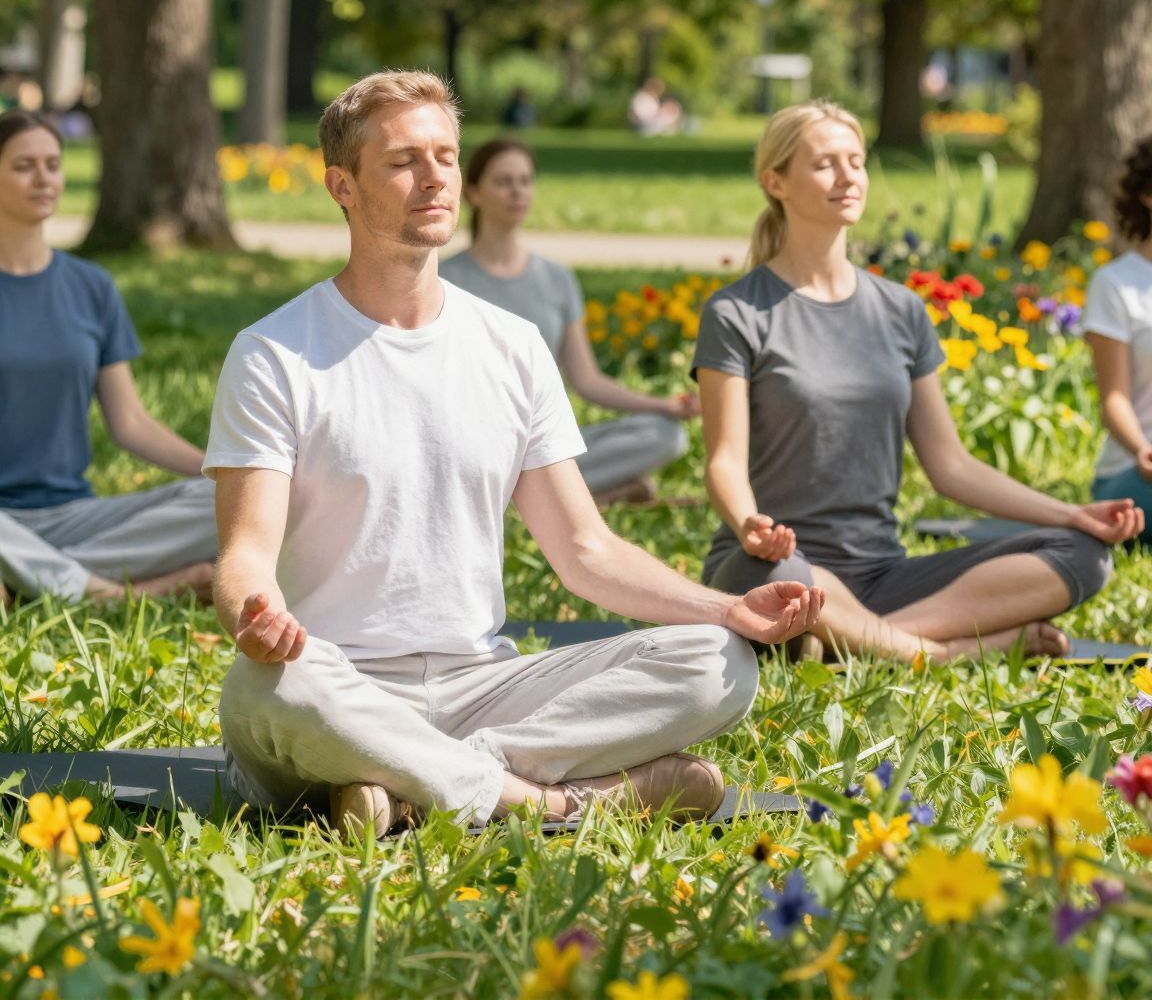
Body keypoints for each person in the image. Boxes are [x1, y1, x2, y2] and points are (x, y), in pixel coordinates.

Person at [206, 70, 823, 836]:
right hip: (337, 681)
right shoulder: (273, 353)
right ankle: (548, 803)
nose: (435, 177)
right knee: (268, 691)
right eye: (403, 161)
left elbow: (587, 550)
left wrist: (727, 608)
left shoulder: (511, 346)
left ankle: (410, 784)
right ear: (343, 186)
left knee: (717, 662)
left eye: (446, 156)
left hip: (484, 686)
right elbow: (244, 555)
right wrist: (255, 617)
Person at [693, 99, 1142, 663]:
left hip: (882, 574)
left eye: (856, 161)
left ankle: (845, 641)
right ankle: (932, 652)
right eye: (825, 163)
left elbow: (951, 466)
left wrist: (1070, 515)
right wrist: (750, 524)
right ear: (775, 181)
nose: (848, 176)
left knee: (1083, 554)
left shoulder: (900, 310)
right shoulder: (737, 312)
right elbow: (723, 463)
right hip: (775, 564)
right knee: (785, 581)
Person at [0, 111, 217, 604]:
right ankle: (116, 592)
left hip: (72, 516)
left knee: (232, 501)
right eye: (24, 166)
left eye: (53, 164)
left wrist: (222, 473)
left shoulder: (90, 287)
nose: (43, 178)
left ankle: (31, 583)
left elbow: (131, 423)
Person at [441, 139, 697, 505]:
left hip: (547, 446)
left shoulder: (557, 279)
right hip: (476, 447)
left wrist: (661, 406)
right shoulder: (444, 279)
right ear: (475, 193)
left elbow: (587, 379)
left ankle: (538, 494)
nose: (518, 191)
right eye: (504, 181)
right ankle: (571, 495)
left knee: (666, 435)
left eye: (526, 181)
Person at [1086, 136, 1152, 539]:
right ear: (1147, 195)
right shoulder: (1115, 284)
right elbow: (1115, 399)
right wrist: (1141, 449)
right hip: (1134, 473)